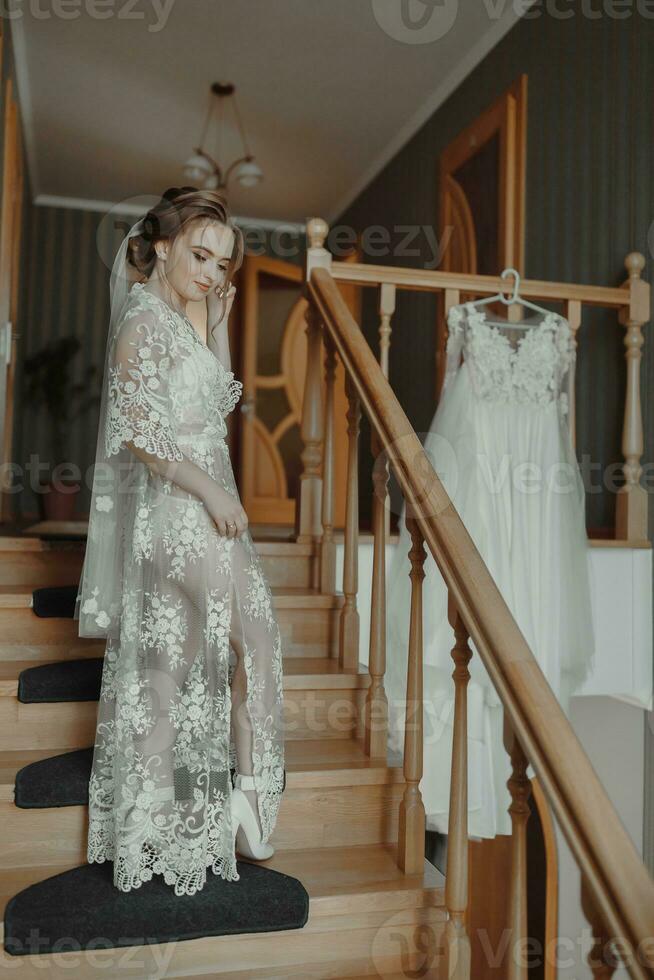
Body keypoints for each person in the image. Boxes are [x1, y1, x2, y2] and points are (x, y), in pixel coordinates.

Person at [75, 187, 285, 896]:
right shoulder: (141, 319)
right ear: (161, 245)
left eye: (222, 264)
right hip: (179, 509)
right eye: (200, 255)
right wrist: (214, 492)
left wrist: (219, 324)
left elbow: (217, 401)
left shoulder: (180, 316)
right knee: (252, 638)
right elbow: (140, 433)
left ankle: (152, 827)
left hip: (197, 504)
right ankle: (245, 804)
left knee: (175, 663)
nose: (211, 272)